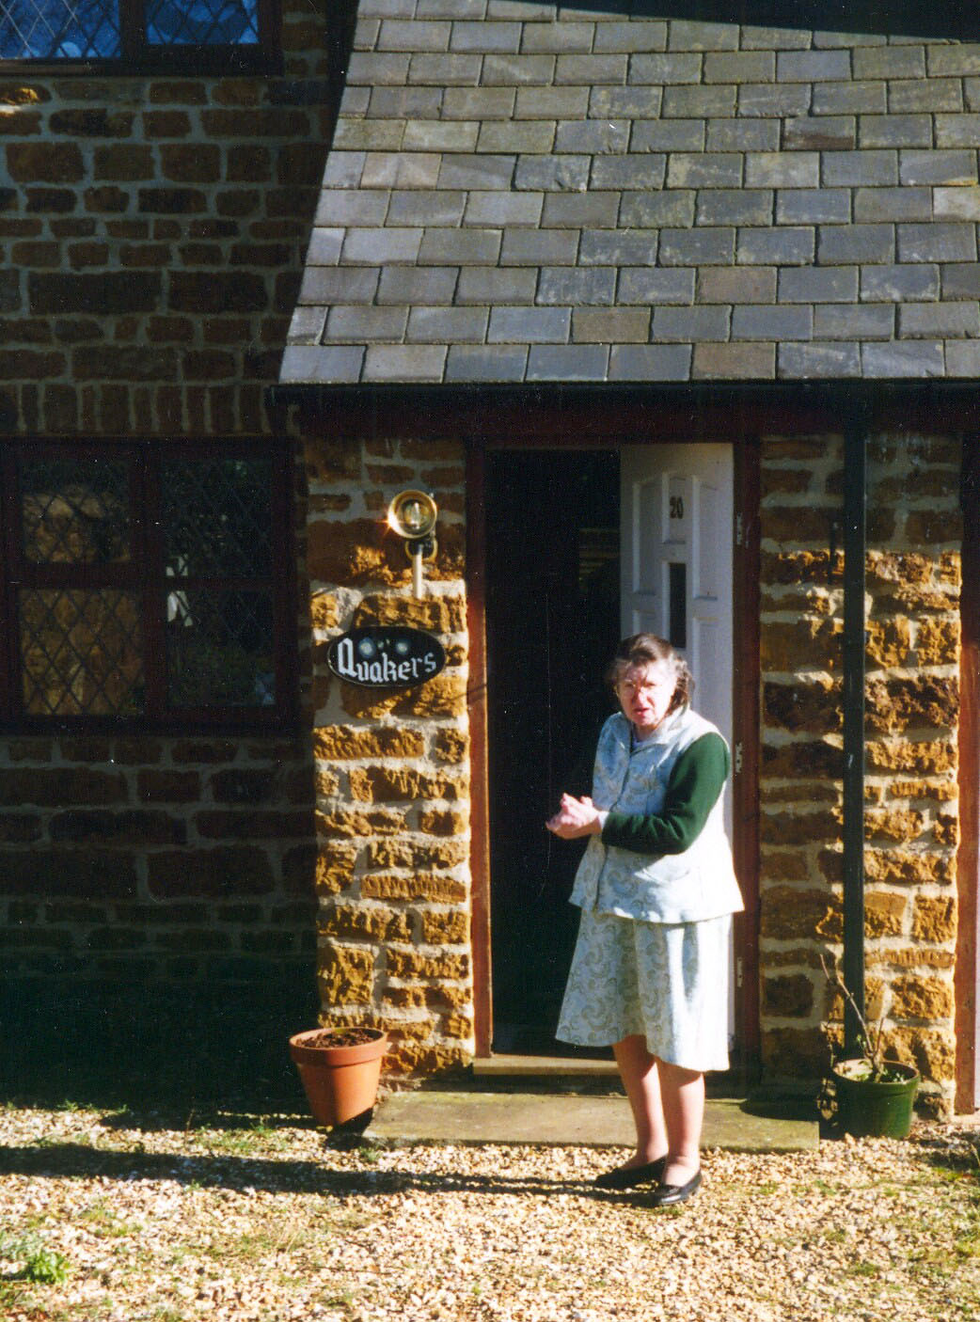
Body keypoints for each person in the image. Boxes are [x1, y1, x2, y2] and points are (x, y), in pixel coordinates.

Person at [547, 633, 743, 1207]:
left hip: (679, 908)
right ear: (617, 687)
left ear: (675, 685)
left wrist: (599, 824)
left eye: (651, 684)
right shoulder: (613, 731)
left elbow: (678, 833)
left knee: (678, 1036)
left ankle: (686, 1162)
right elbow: (611, 804)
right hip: (613, 898)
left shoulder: (703, 745)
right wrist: (576, 819)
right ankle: (651, 1147)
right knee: (626, 1026)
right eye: (629, 686)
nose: (640, 697)